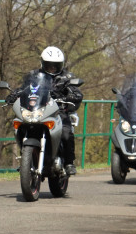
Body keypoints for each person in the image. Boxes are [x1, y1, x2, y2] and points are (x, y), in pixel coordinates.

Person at [7, 46, 83, 175]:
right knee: (21, 125)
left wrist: (71, 96)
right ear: (42, 63)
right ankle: (26, 160)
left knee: (66, 133)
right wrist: (14, 94)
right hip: (37, 109)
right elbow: (24, 89)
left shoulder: (67, 77)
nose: (52, 68)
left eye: (56, 66)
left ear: (61, 65)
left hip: (58, 110)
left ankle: (69, 163)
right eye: (49, 65)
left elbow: (76, 92)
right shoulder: (33, 76)